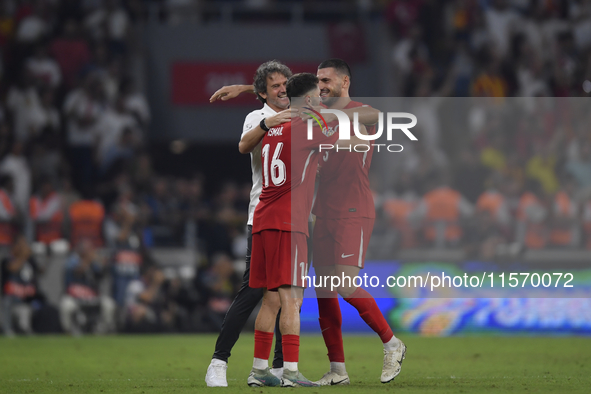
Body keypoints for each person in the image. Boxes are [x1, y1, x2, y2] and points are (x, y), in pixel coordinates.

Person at [210, 59, 406, 385]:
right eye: (318, 81)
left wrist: (324, 114)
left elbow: (376, 118)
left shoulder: (347, 113)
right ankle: (337, 370)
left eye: (326, 80)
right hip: (313, 214)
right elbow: (291, 96)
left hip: (351, 210)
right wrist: (252, 90)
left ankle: (391, 343)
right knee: (321, 293)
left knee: (331, 286)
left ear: (345, 82)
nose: (322, 85)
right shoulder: (304, 122)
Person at [247, 72, 367, 387]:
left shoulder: (275, 127)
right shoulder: (306, 128)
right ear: (310, 99)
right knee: (291, 299)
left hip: (262, 219)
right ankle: (290, 372)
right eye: (317, 95)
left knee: (270, 298)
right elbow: (346, 141)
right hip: (289, 223)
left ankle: (259, 370)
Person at [204, 60, 293, 387]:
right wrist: (271, 119)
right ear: (263, 94)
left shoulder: (295, 110)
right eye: (275, 86)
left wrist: (244, 88)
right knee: (253, 290)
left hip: (292, 218)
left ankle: (282, 369)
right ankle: (218, 362)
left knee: (288, 293)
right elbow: (244, 145)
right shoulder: (256, 118)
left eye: (285, 84)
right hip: (261, 215)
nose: (283, 89)